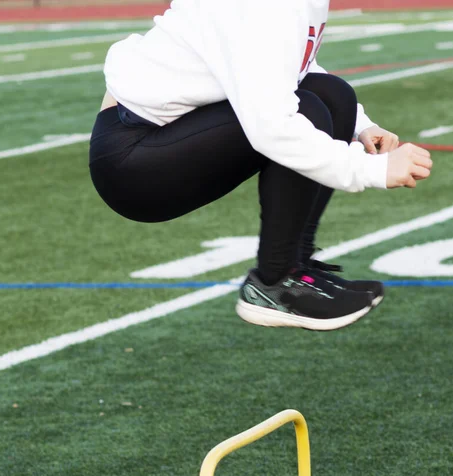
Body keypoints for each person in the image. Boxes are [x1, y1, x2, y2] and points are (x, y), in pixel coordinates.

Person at [89, 0, 433, 331]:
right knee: (305, 112)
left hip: (164, 133)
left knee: (335, 96)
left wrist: (360, 124)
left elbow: (283, 63)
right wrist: (374, 171)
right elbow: (273, 128)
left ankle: (297, 270)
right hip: (133, 161)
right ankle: (276, 282)